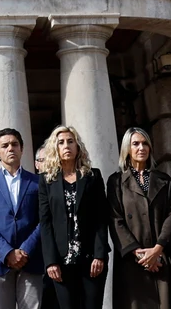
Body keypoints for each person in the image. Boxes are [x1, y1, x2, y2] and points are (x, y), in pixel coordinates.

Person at [106, 128, 171, 309]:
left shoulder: (164, 180)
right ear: (127, 149)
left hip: (161, 257)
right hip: (132, 262)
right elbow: (116, 220)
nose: (141, 148)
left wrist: (156, 251)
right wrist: (140, 255)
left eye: (145, 143)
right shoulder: (116, 182)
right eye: (136, 144)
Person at [37, 126, 107, 309]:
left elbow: (101, 218)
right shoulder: (46, 180)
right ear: (55, 148)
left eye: (70, 141)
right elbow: (45, 223)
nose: (66, 146)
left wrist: (99, 255)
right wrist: (51, 261)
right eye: (61, 142)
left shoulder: (93, 176)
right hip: (61, 262)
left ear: (78, 147)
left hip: (91, 259)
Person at [0, 127, 42, 309]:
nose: (10, 148)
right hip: (0, 261)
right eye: (5, 146)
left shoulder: (37, 182)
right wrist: (7, 252)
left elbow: (43, 220)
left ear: (22, 148)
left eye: (14, 144)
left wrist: (25, 250)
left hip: (31, 259)